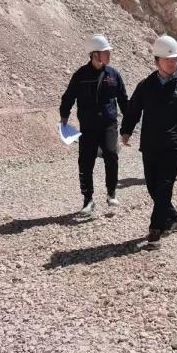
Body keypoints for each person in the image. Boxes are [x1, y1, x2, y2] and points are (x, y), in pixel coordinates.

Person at [120, 36, 177, 249]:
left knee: (165, 186)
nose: (172, 63)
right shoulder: (146, 85)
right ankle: (172, 217)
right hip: (150, 144)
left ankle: (155, 230)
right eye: (168, 59)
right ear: (157, 61)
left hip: (173, 146)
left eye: (175, 59)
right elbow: (133, 109)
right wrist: (126, 130)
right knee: (153, 186)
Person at [59, 34, 130, 218]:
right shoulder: (80, 75)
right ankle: (88, 200)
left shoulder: (113, 74)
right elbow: (68, 97)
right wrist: (64, 116)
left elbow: (123, 100)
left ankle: (111, 192)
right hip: (88, 127)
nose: (109, 54)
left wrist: (128, 126)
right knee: (85, 162)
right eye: (106, 52)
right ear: (95, 54)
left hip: (109, 124)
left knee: (111, 154)